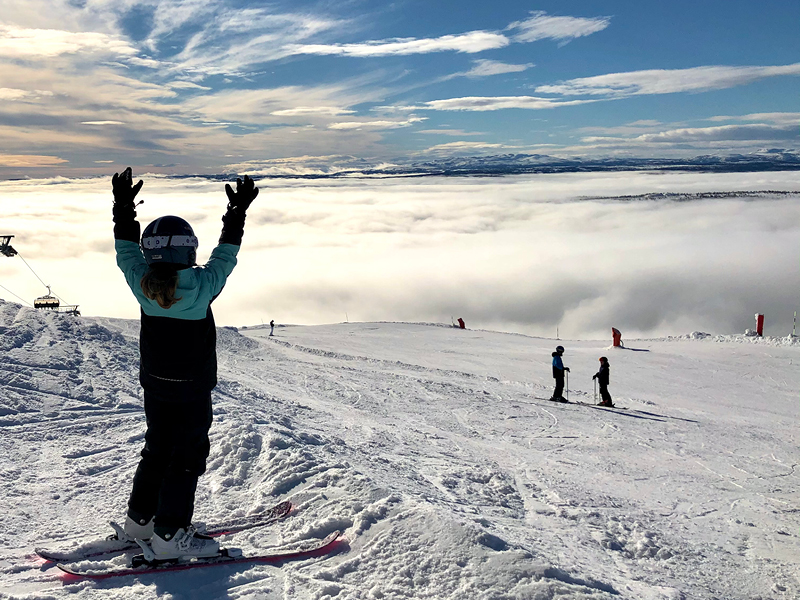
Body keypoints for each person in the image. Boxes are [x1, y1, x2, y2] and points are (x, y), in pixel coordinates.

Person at [112, 166, 258, 560]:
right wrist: (236, 212)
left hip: (155, 385)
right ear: (188, 250)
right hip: (192, 388)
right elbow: (226, 253)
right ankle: (168, 537)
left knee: (157, 448)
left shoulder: (142, 285)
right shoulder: (204, 287)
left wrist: (123, 206)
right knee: (186, 456)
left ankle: (139, 523)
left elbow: (125, 249)